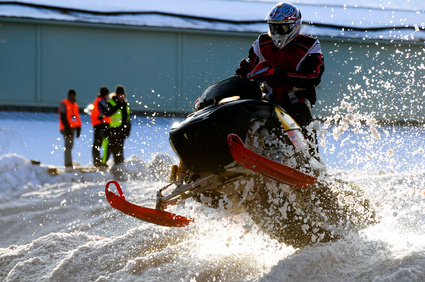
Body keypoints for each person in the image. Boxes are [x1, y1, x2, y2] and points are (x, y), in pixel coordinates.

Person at [236, 2, 324, 152]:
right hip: (268, 100)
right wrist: (243, 72)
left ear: (294, 26)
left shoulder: (310, 45)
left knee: (302, 119)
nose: (277, 31)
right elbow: (249, 71)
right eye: (273, 27)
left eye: (281, 27)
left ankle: (312, 161)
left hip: (296, 100)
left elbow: (313, 77)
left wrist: (278, 73)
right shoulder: (262, 43)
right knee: (242, 114)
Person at [102, 85, 131, 166]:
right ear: (116, 94)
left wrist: (128, 129)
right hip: (112, 130)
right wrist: (118, 105)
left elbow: (128, 119)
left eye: (123, 95)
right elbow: (108, 113)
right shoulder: (111, 103)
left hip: (122, 130)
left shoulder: (125, 105)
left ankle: (118, 163)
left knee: (119, 149)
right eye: (120, 94)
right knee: (108, 148)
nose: (122, 96)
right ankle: (103, 164)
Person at [91, 86, 117, 168]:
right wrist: (115, 108)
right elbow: (107, 112)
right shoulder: (101, 101)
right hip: (100, 124)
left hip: (99, 124)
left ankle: (98, 161)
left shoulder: (99, 100)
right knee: (99, 144)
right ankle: (98, 162)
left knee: (98, 144)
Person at [59, 89, 82, 171]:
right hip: (66, 129)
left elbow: (76, 117)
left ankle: (69, 162)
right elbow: (63, 116)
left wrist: (78, 127)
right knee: (68, 146)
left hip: (73, 128)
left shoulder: (75, 104)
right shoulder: (64, 104)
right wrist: (67, 128)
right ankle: (68, 164)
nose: (73, 96)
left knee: (70, 146)